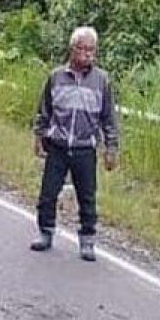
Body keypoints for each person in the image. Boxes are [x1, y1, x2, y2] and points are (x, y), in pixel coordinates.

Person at [30, 26, 119, 261]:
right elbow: (44, 110)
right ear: (72, 49)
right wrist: (39, 136)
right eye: (82, 49)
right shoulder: (56, 77)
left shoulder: (101, 81)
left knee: (87, 196)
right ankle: (46, 232)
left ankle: (87, 241)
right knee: (48, 193)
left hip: (84, 147)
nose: (87, 54)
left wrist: (111, 147)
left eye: (91, 50)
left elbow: (108, 117)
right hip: (58, 145)